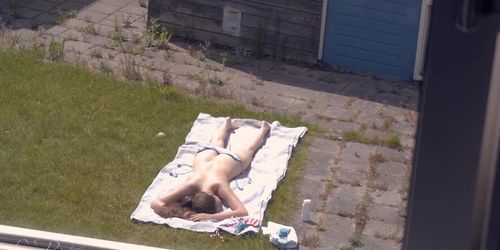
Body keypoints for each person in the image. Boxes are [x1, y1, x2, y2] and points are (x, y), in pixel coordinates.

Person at [150, 117, 271, 221]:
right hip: (205, 156)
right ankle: (226, 124)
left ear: (213, 197)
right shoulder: (191, 185)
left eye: (219, 206)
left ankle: (263, 130)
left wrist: (211, 216)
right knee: (217, 141)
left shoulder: (217, 185)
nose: (221, 208)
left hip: (229, 160)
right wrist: (182, 213)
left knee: (249, 148)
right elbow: (156, 203)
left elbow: (241, 211)